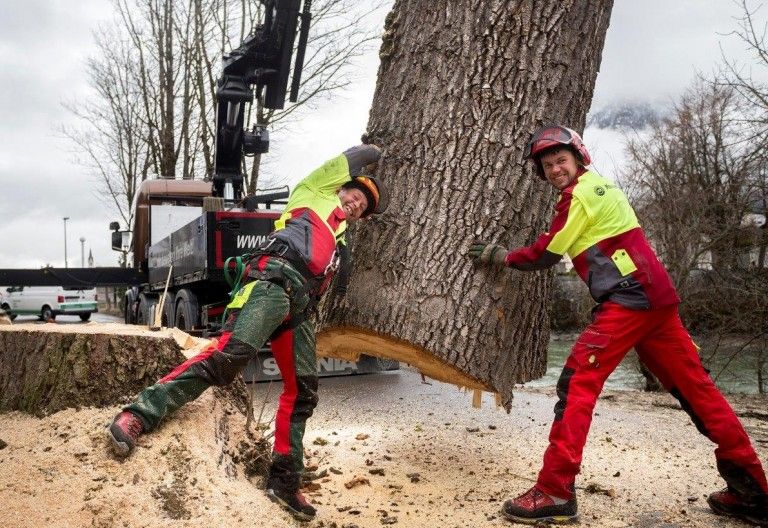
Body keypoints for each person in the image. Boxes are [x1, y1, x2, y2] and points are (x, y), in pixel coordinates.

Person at [469, 125, 768, 526]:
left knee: (576, 384)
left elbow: (548, 252)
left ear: (578, 157)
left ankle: (555, 490)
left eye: (560, 160)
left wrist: (502, 256)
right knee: (699, 391)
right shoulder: (601, 186)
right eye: (547, 165)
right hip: (656, 297)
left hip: (629, 300)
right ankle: (753, 491)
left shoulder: (578, 195)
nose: (555, 169)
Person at [107, 144, 388, 522]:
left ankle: (284, 482)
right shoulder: (315, 191)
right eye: (356, 194)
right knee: (226, 360)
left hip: (298, 309)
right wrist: (376, 151)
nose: (357, 204)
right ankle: (139, 413)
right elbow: (352, 158)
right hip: (271, 284)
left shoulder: (340, 242)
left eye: (364, 207)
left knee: (303, 391)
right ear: (341, 187)